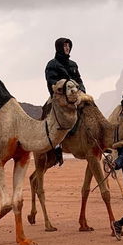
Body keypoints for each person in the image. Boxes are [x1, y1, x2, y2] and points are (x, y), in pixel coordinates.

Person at [44, 37, 85, 165]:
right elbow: (51, 81)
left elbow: (79, 79)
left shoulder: (73, 64)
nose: (67, 48)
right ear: (59, 47)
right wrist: (61, 90)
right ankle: (55, 146)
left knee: (90, 106)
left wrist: (82, 90)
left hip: (76, 95)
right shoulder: (52, 64)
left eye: (68, 46)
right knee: (49, 114)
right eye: (64, 46)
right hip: (59, 96)